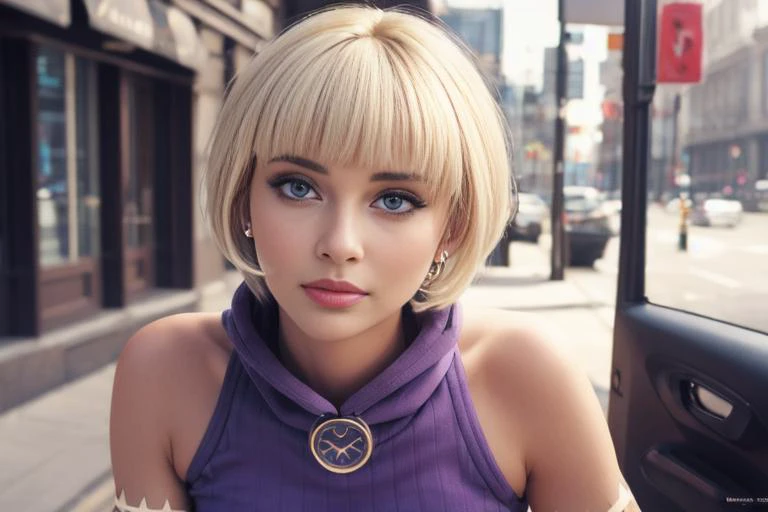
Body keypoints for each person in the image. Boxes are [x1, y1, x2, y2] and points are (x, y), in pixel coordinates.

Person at [110, 5, 640, 511]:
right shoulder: (166, 370)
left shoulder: (526, 375)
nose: (340, 243)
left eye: (394, 200)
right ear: (243, 195)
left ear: (451, 227)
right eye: (298, 187)